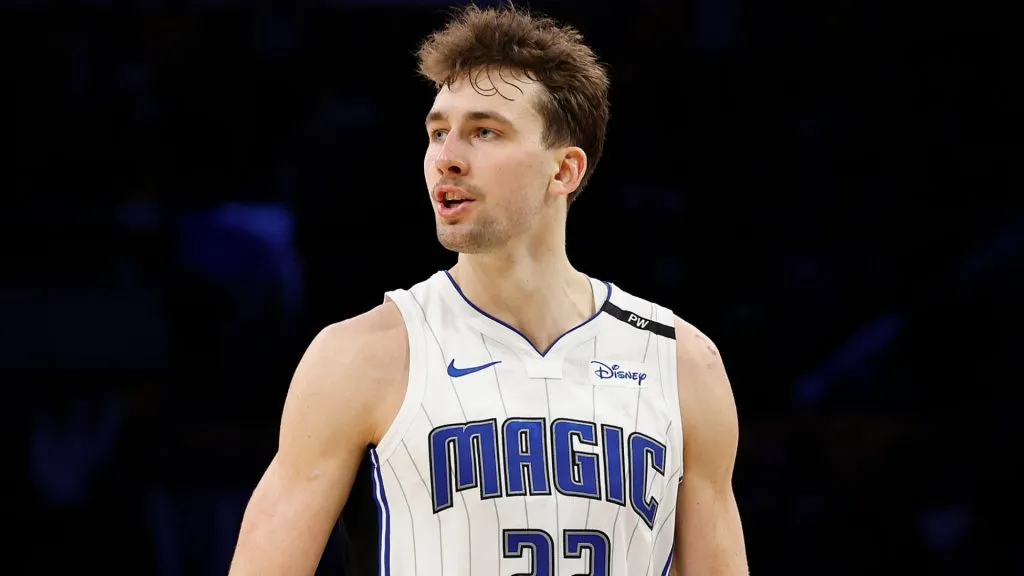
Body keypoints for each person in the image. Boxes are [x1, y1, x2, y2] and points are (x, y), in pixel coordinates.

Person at [228, 5, 748, 575]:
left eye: (484, 131)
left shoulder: (683, 363)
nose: (446, 158)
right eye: (437, 132)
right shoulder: (360, 356)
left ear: (564, 171)